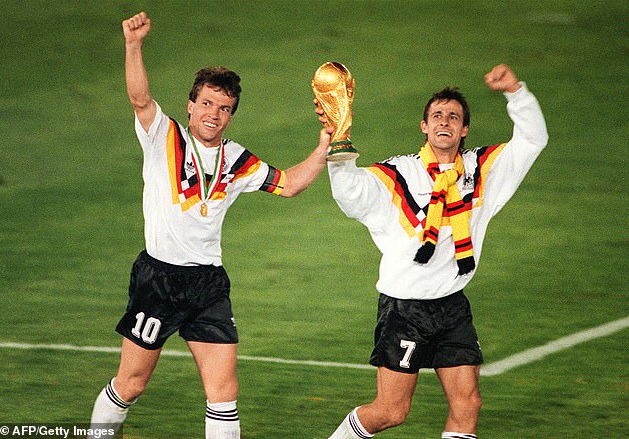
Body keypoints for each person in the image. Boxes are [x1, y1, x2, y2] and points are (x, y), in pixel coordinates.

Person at [88, 11, 332, 439]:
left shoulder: (237, 159)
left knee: (223, 392)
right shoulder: (162, 135)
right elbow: (141, 100)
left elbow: (290, 184)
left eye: (224, 108)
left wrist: (324, 144)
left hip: (208, 286)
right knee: (131, 383)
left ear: (231, 115)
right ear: (190, 105)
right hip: (159, 279)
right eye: (206, 104)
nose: (214, 115)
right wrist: (133, 45)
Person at [322, 64, 548, 439]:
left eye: (454, 117)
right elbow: (350, 197)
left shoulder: (483, 171)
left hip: (451, 306)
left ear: (464, 130)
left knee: (468, 404)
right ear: (424, 126)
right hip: (403, 309)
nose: (445, 121)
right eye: (437, 115)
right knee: (391, 411)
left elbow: (532, 140)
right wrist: (340, 143)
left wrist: (516, 93)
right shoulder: (398, 175)